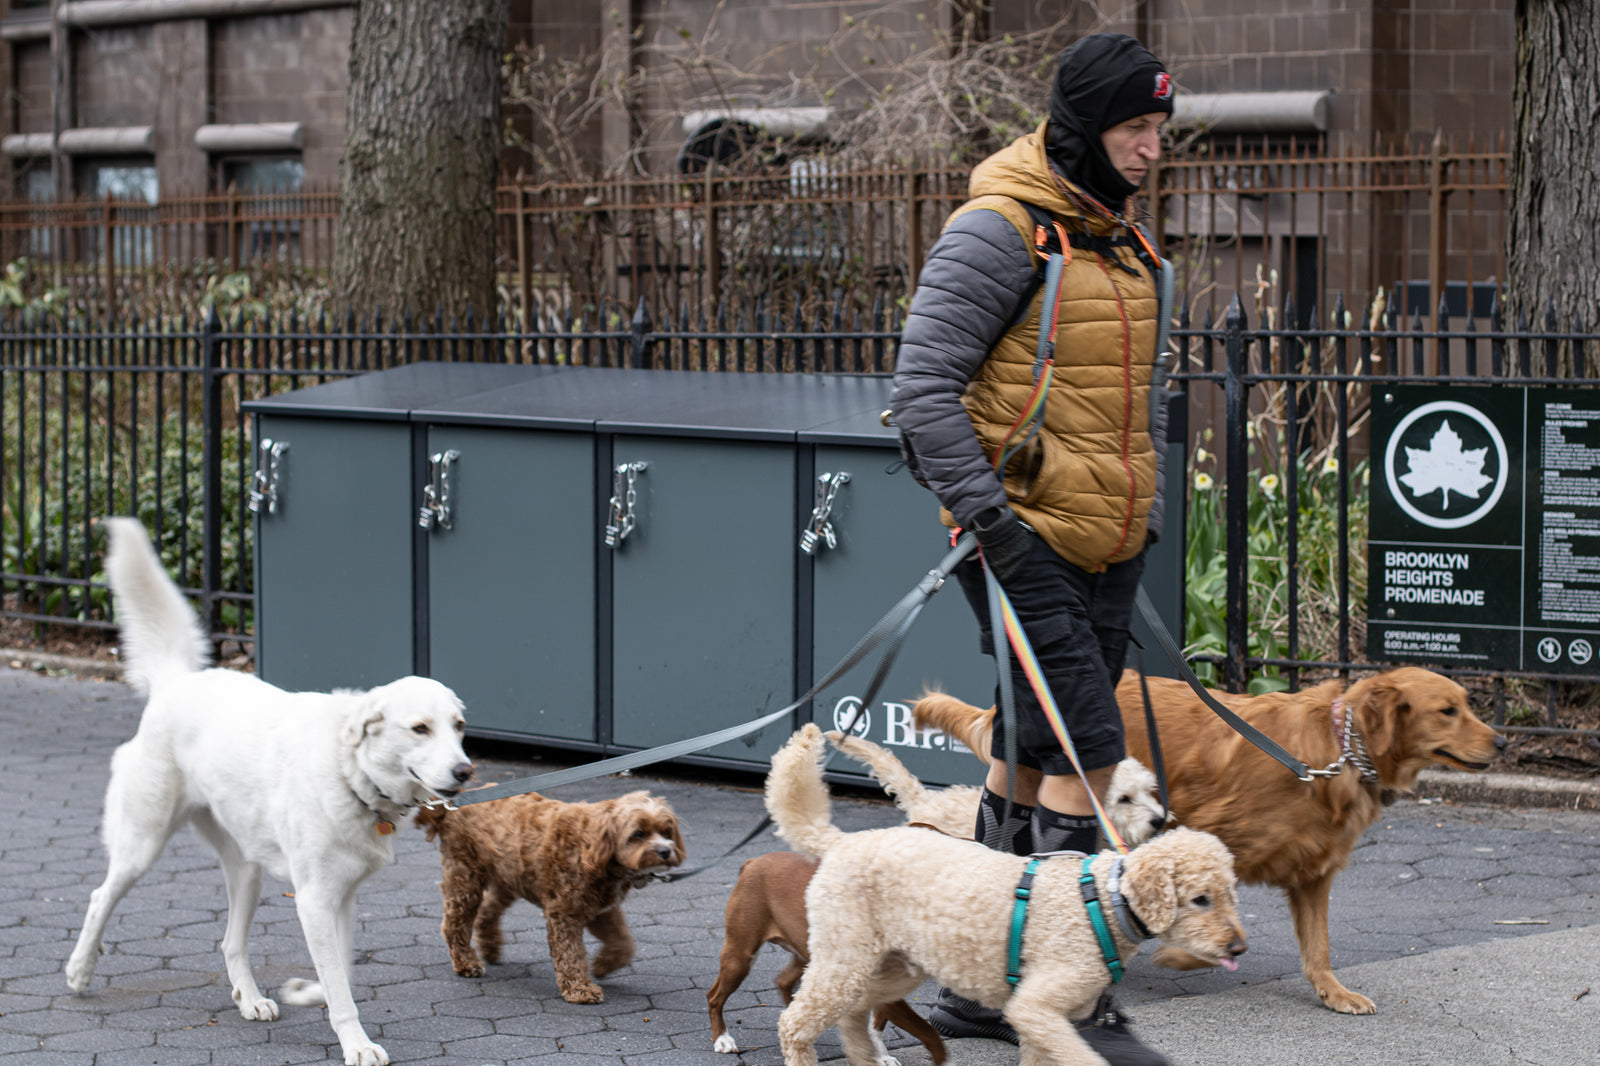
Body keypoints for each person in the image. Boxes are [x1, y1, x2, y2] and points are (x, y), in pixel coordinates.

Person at [889, 32, 1177, 1066]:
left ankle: (982, 984)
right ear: (1083, 129)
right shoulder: (998, 231)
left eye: (1156, 129)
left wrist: (1135, 514)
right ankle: (1072, 995)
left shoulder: (1117, 240)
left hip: (1109, 542)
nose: (1150, 149)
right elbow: (921, 394)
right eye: (1134, 129)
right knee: (1092, 753)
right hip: (1025, 541)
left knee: (1026, 746)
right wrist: (994, 524)